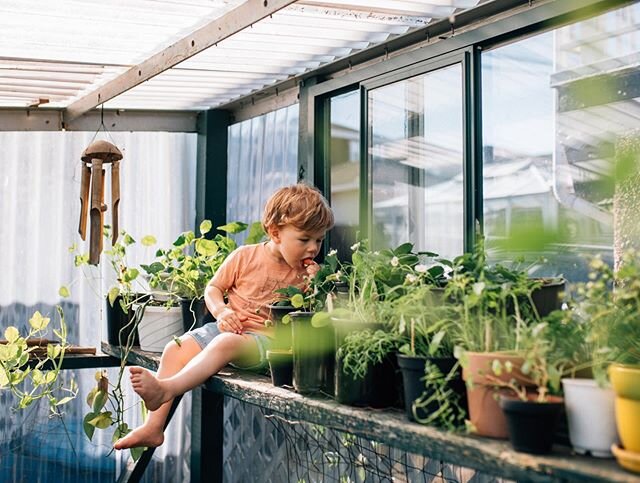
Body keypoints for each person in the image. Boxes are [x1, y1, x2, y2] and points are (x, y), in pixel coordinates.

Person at [114, 183, 334, 450]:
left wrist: (319, 286)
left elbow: (319, 315)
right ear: (275, 233)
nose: (313, 248)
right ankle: (153, 427)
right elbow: (214, 288)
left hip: (269, 345)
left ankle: (166, 389)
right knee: (175, 348)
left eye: (319, 240)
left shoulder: (309, 275)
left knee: (224, 344)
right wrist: (221, 311)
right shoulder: (245, 256)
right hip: (229, 330)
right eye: (304, 239)